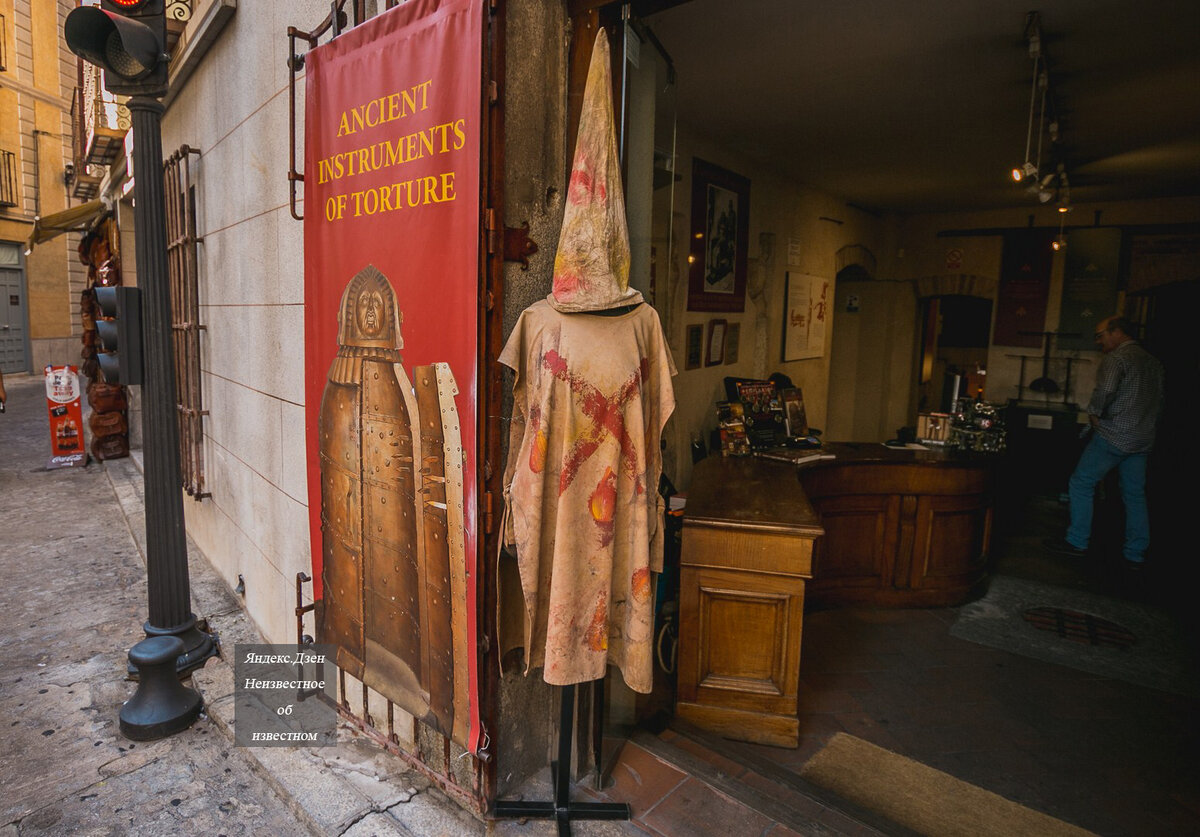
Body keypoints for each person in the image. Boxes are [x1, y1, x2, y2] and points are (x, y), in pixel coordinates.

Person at [1045, 316, 1164, 568]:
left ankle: (1077, 541)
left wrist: (1094, 415)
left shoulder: (1117, 358)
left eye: (1100, 335)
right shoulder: (1154, 362)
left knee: (1081, 482)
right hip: (1143, 437)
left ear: (1117, 332)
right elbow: (1159, 402)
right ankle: (1135, 553)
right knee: (1134, 495)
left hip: (1115, 434)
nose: (1098, 341)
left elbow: (1105, 391)